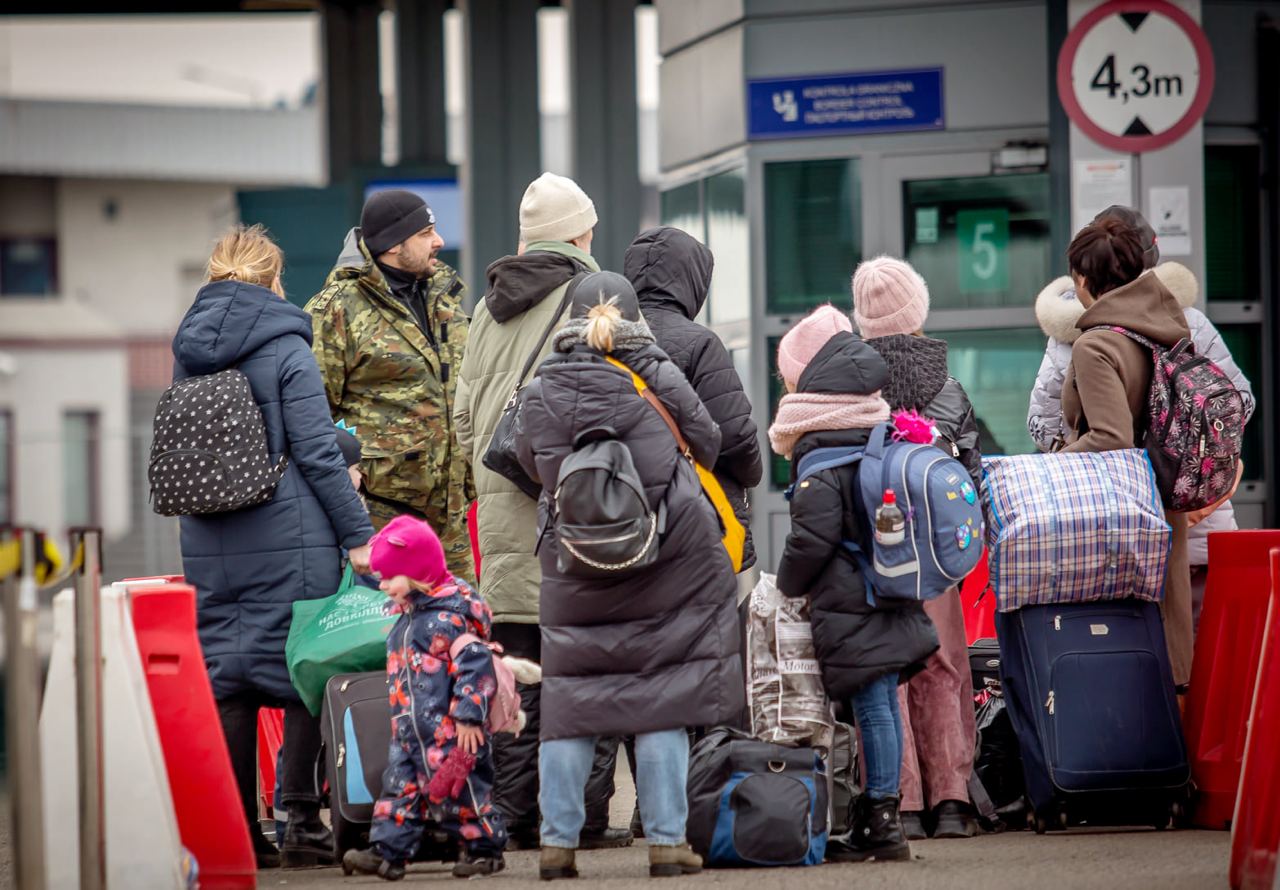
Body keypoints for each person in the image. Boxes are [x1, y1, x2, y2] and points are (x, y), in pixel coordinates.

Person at [513, 272, 744, 880]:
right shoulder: (656, 373)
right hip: (660, 557)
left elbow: (526, 460)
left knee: (571, 702)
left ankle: (558, 845)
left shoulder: (542, 388)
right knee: (660, 698)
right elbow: (709, 442)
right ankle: (667, 844)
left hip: (574, 561)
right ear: (635, 318)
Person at [171, 225, 374, 869]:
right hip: (289, 530)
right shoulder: (287, 344)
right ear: (272, 279)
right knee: (306, 663)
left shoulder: (189, 349)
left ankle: (242, 834)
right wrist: (358, 536)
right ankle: (301, 820)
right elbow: (315, 450)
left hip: (208, 531)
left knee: (230, 679)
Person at [453, 173, 629, 849]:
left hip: (503, 526)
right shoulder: (597, 296)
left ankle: (513, 818)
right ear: (581, 234)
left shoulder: (484, 309)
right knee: (586, 673)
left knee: (518, 674)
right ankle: (581, 819)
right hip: (577, 521)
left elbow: (466, 425)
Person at [769, 305, 938, 863]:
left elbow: (812, 537)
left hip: (852, 596)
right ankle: (880, 813)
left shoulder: (822, 448)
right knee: (882, 700)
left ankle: (883, 821)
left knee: (872, 706)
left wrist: (785, 586)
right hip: (886, 584)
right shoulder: (872, 426)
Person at [1029, 255, 1254, 631]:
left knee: (1124, 642)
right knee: (1195, 652)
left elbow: (1041, 424)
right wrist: (1204, 473)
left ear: (1083, 280)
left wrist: (1057, 460)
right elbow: (1236, 406)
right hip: (1193, 521)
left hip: (1108, 522)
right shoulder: (1185, 321)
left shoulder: (1078, 341)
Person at [851, 256, 983, 840]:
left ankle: (898, 801)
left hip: (872, 553)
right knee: (944, 666)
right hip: (936, 556)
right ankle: (951, 800)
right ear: (918, 312)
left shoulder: (849, 380)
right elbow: (970, 477)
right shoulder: (945, 385)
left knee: (885, 670)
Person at [306, 189, 475, 583]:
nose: (439, 242)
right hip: (384, 521)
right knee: (390, 638)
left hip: (451, 518)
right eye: (427, 233)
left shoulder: (444, 298)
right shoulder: (337, 310)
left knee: (463, 630)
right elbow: (312, 416)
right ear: (395, 245)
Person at [1060, 216, 1194, 687]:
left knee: (1121, 651)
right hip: (1163, 504)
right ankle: (1175, 746)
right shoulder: (1158, 326)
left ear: (1082, 278)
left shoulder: (1097, 344)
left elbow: (1109, 438)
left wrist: (1050, 464)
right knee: (1167, 638)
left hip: (1119, 515)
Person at [342, 515, 508, 881]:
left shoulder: (450, 618)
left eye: (388, 577)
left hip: (452, 732)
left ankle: (485, 848)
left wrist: (468, 716)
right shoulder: (408, 617)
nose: (382, 585)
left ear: (417, 572)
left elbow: (477, 671)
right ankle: (388, 850)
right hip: (410, 730)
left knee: (465, 792)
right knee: (399, 790)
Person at [624, 226, 763, 568]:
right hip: (694, 526)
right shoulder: (699, 343)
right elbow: (735, 435)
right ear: (692, 280)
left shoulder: (603, 338)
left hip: (619, 521)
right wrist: (752, 473)